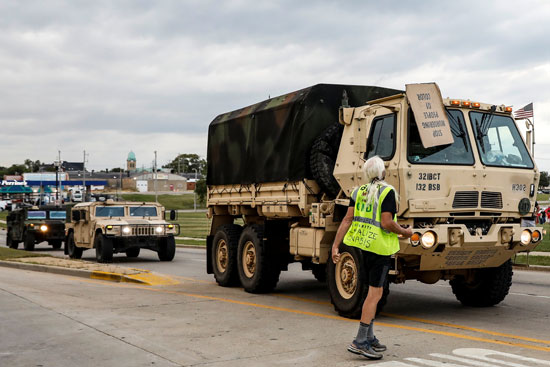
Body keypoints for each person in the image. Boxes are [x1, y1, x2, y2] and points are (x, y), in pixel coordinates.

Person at [331, 156, 413, 360]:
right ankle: (360, 341)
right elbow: (386, 223)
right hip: (380, 249)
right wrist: (405, 231)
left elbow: (347, 219)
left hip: (363, 246)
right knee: (375, 294)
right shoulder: (387, 192)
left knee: (371, 293)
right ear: (382, 172)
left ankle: (369, 336)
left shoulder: (358, 191)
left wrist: (335, 245)